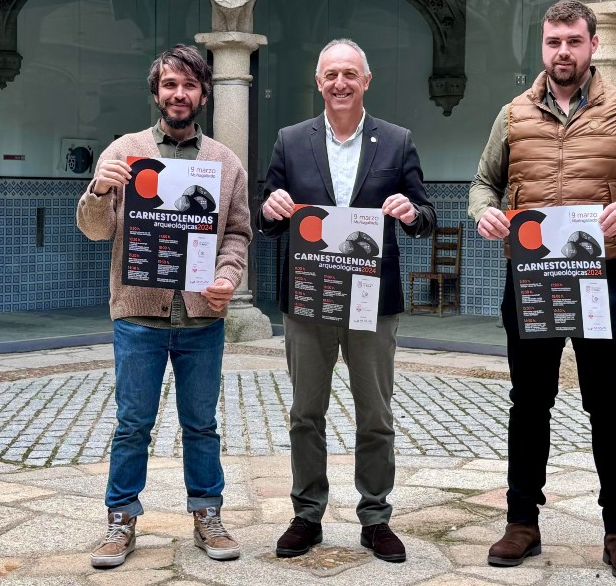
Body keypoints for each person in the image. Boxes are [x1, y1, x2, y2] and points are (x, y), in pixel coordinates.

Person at [468, 0, 616, 583]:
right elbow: (484, 182)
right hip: (531, 276)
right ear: (543, 46)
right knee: (528, 404)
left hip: (598, 278)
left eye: (574, 42)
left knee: (608, 406)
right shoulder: (512, 115)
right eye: (553, 42)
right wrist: (484, 212)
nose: (563, 52)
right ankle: (521, 524)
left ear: (592, 46)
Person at [260, 38, 436, 563]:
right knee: (304, 413)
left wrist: (411, 211)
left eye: (350, 74)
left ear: (366, 80)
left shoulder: (397, 141)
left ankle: (376, 517)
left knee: (375, 414)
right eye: (331, 74)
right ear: (319, 82)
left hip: (372, 299)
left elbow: (426, 217)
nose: (340, 83)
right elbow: (268, 218)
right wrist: (270, 207)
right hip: (309, 298)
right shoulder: (291, 141)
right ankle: (306, 515)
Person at [77, 44, 252, 568]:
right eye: (170, 85)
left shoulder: (223, 161)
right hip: (138, 312)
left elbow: (238, 233)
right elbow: (96, 230)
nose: (180, 94)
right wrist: (97, 190)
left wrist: (227, 275)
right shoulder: (125, 150)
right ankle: (120, 519)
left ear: (203, 94)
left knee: (201, 423)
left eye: (189, 85)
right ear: (156, 92)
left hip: (201, 315)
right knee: (133, 422)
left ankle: (207, 514)